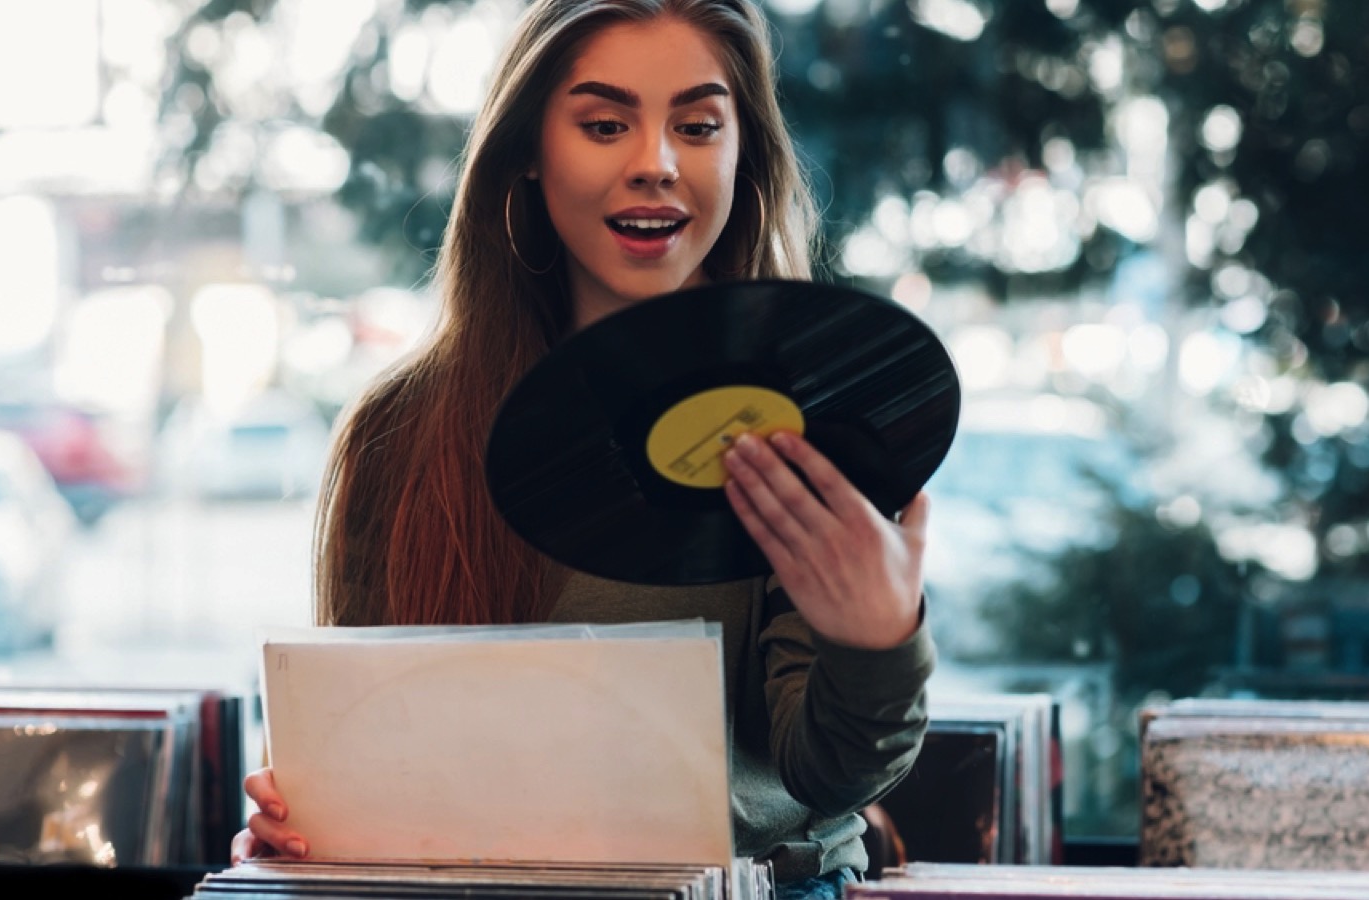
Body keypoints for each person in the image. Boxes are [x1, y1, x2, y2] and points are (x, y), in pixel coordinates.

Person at [231, 2, 935, 897]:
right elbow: (360, 746)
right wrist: (299, 827)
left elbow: (830, 770)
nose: (656, 164)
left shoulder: (812, 415)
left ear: (743, 153)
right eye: (605, 125)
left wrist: (877, 640)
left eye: (699, 126)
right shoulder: (400, 431)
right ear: (527, 149)